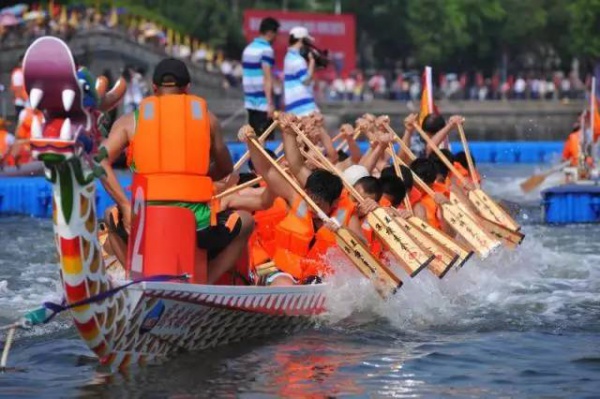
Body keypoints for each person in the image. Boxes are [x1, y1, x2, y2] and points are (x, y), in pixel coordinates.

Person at [99, 58, 254, 284]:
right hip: (196, 225)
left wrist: (124, 203)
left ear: (153, 89)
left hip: (145, 221)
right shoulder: (207, 119)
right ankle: (206, 282)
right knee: (246, 222)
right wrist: (194, 181)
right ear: (188, 88)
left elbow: (98, 161)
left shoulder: (129, 121)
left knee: (109, 216)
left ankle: (135, 280)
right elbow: (225, 168)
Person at [240, 114, 364, 286]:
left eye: (319, 205)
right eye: (311, 203)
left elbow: (363, 245)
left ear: (334, 203)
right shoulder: (298, 196)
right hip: (282, 270)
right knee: (284, 284)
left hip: (318, 277)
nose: (313, 209)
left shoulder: (346, 212)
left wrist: (343, 233)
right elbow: (269, 171)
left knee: (322, 284)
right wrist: (254, 142)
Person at [241, 17, 280, 134]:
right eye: (275, 34)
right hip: (262, 103)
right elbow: (267, 78)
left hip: (249, 102)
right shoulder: (266, 50)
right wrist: (270, 103)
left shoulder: (248, 49)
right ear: (270, 33)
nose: (276, 37)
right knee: (265, 143)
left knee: (254, 141)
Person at [283, 27, 318, 116]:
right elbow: (306, 80)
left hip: (292, 108)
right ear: (302, 40)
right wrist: (312, 62)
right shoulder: (297, 60)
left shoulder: (288, 57)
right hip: (304, 108)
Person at [10, 55, 28, 123]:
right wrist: (28, 103)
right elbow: (18, 90)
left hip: (27, 103)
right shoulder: (18, 73)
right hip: (22, 104)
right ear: (20, 62)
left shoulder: (26, 72)